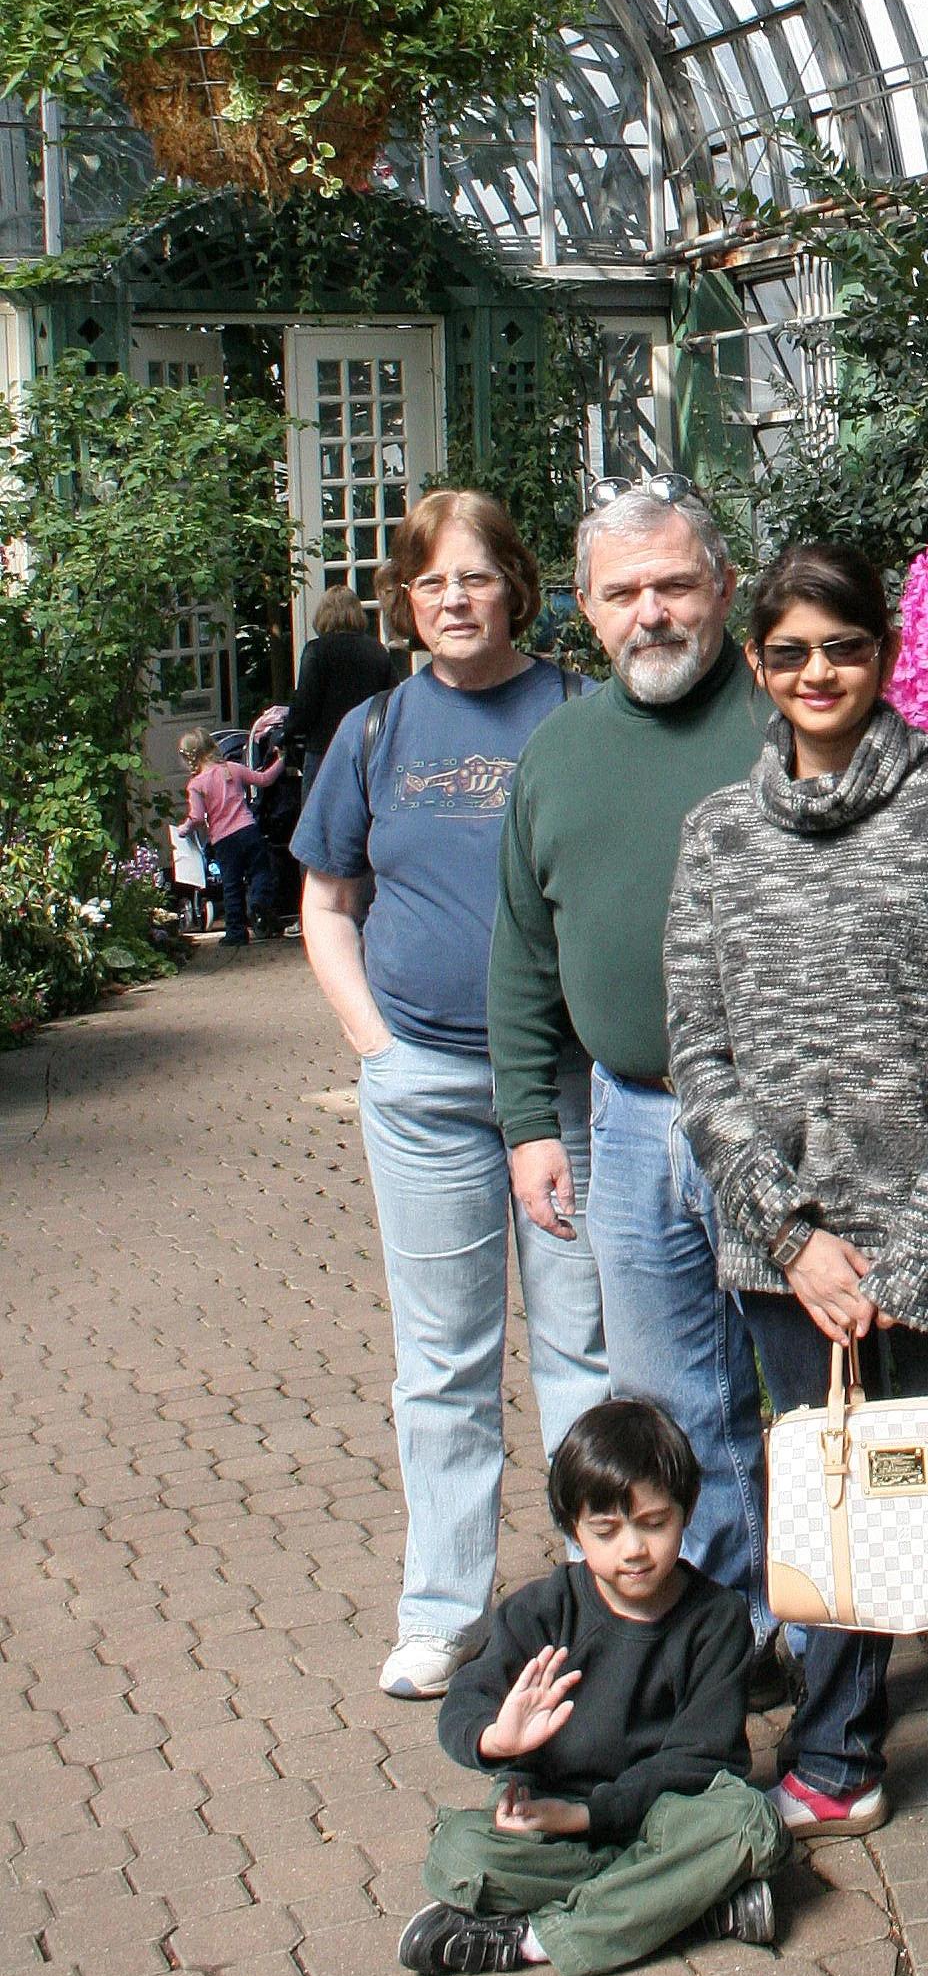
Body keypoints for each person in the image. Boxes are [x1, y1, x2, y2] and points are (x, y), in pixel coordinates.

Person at [662, 539, 928, 1949]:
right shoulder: (715, 837)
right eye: (789, 653)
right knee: (821, 1511)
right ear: (757, 670)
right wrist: (791, 1234)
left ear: (884, 655)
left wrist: (919, 1254)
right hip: (788, 1259)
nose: (817, 673)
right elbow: (698, 1057)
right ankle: (831, 1761)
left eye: (843, 647)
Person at [295, 488, 609, 1703]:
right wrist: (372, 1042)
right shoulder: (375, 729)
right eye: (431, 584)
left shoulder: (577, 710)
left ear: (516, 587)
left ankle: (604, 1594)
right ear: (405, 600)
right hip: (422, 1087)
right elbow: (328, 900)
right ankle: (443, 1607)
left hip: (564, 1086)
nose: (453, 602)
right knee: (442, 1360)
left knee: (585, 1349)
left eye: (475, 578)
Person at [489, 477, 777, 1673]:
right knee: (667, 1414)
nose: (651, 612)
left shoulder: (786, 728)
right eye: (623, 593)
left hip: (780, 1121)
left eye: (672, 583)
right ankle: (729, 1651)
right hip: (628, 1116)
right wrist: (527, 1123)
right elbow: (519, 954)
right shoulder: (558, 756)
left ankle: (825, 1638)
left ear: (721, 587)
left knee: (810, 1403)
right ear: (587, 613)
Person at [399, 1394, 789, 1976]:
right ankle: (687, 1910)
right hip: (552, 1836)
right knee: (459, 1850)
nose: (634, 1549)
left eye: (655, 1524)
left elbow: (701, 1759)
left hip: (663, 1823)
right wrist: (496, 1742)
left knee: (748, 1822)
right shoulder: (540, 1611)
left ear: (686, 1511)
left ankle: (532, 1941)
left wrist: (584, 1815)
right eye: (605, 1531)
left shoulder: (719, 1619)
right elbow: (466, 1703)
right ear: (574, 1529)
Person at [280, 585, 402, 809]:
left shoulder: (317, 651)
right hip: (367, 750)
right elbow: (392, 702)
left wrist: (288, 732)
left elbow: (306, 705)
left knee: (319, 820)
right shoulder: (376, 651)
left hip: (323, 749)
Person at [178, 726, 283, 948]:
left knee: (232, 885)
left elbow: (196, 817)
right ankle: (259, 903)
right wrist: (282, 760)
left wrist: (184, 829)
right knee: (261, 872)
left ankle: (236, 932)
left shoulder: (196, 784)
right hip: (248, 830)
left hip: (224, 841)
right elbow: (264, 779)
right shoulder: (232, 769)